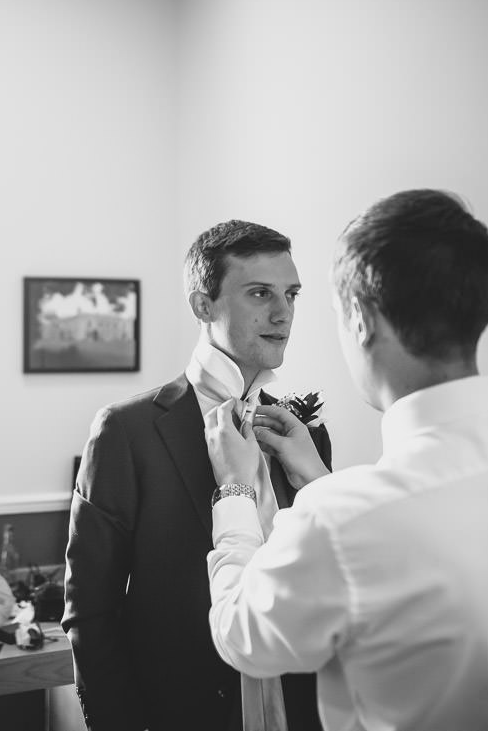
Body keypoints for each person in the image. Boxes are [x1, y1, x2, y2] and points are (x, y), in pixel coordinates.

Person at [206, 189, 488, 731]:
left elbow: (240, 634)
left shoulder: (346, 519)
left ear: (361, 320)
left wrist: (235, 491)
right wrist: (318, 481)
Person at [63, 220, 331, 731]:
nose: (283, 313)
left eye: (291, 294)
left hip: (303, 708)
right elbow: (89, 613)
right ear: (202, 305)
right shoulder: (127, 432)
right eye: (260, 293)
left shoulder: (305, 438)